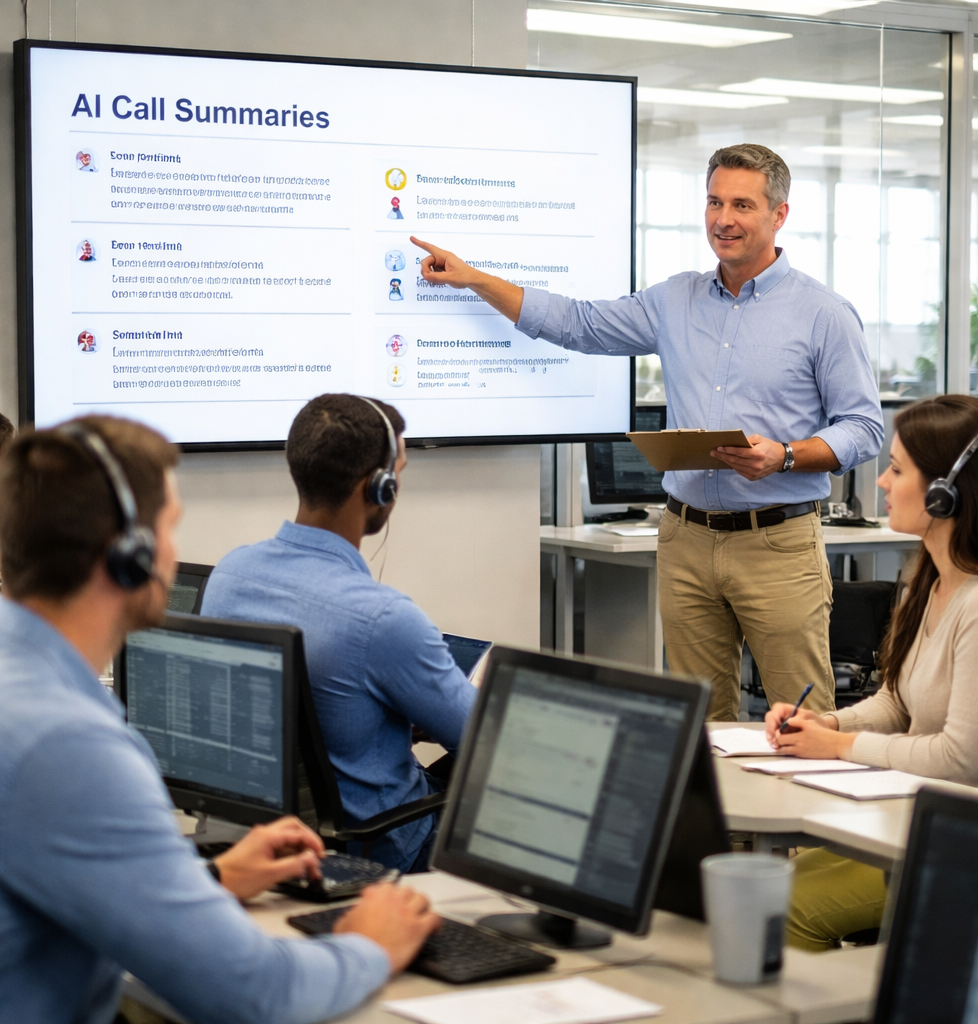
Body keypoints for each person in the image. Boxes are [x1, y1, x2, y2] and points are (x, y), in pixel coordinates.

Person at [411, 143, 883, 720]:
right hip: (686, 539)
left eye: (741, 204)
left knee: (801, 724)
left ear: (778, 215)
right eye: (713, 202)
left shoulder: (822, 312)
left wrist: (784, 455)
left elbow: (863, 428)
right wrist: (473, 278)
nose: (723, 219)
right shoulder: (674, 298)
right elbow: (579, 324)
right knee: (696, 723)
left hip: (777, 543)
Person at [0, 415, 440, 1024]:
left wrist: (209, 879)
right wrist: (369, 943)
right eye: (171, 527)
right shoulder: (70, 745)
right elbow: (255, 994)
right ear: (130, 555)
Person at [764, 395, 978, 951]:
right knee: (771, 884)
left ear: (946, 491)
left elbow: (961, 759)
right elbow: (897, 703)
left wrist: (839, 747)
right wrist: (826, 724)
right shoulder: (929, 578)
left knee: (784, 910)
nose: (881, 482)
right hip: (920, 818)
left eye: (898, 469)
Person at [201, 394, 477, 873]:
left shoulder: (230, 574)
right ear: (379, 488)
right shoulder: (383, 619)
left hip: (268, 835)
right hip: (383, 849)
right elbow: (481, 736)